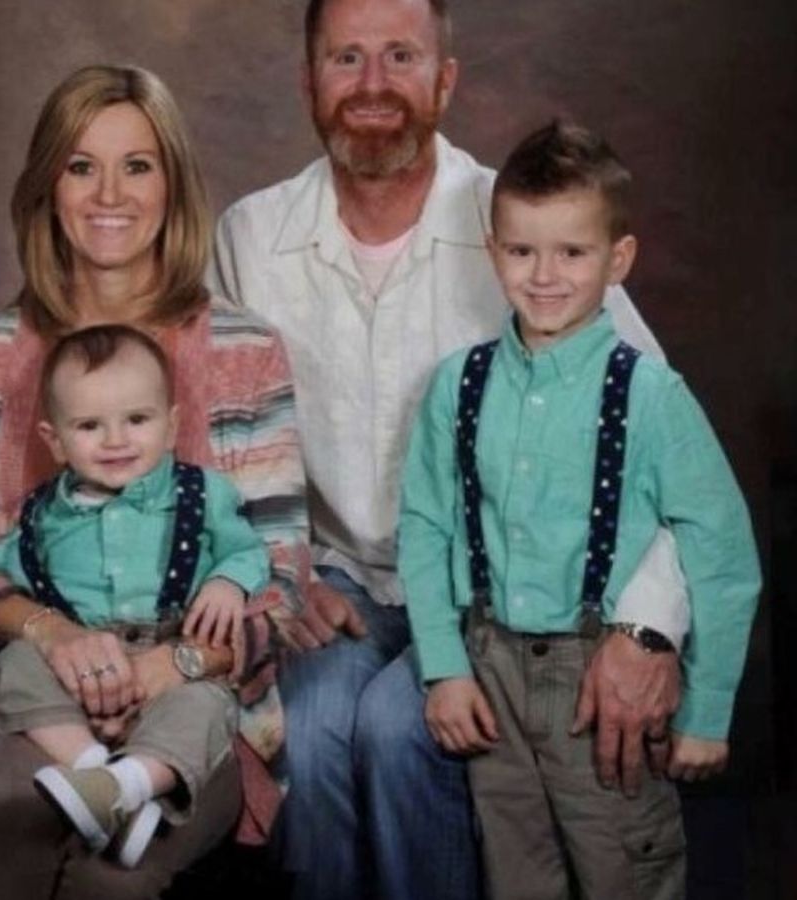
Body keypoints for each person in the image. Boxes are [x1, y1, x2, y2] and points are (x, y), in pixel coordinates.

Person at [209, 1, 689, 897]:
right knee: (308, 725)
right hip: (338, 582)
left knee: (403, 730)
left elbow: (664, 452)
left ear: (446, 80)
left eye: (401, 55)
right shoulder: (250, 236)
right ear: (308, 81)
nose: (374, 84)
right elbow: (214, 444)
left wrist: (648, 629)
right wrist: (280, 575)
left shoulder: (524, 226)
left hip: (498, 593)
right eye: (346, 58)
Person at [0, 64, 312, 900]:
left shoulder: (246, 351)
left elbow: (282, 581)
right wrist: (57, 640)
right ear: (49, 187)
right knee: (18, 823)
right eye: (82, 166)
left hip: (196, 696)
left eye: (137, 165)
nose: (110, 193)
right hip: (36, 691)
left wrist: (173, 663)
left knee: (118, 876)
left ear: (171, 185)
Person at [399, 120, 760, 898]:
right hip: (490, 671)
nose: (544, 276)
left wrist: (706, 712)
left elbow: (723, 554)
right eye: (522, 250)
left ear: (617, 260)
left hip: (598, 683)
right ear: (492, 252)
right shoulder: (457, 386)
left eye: (572, 252)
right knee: (516, 874)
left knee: (621, 867)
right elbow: (425, 529)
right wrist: (445, 669)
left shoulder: (651, 395)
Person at [0, 324, 270, 869]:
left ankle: (133, 781)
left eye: (137, 419)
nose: (116, 440)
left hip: (171, 654)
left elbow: (250, 549)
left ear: (172, 426)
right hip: (76, 664)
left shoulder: (202, 493)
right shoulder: (40, 514)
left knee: (206, 706)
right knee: (14, 663)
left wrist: (229, 581)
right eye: (89, 425)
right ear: (54, 440)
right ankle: (94, 773)